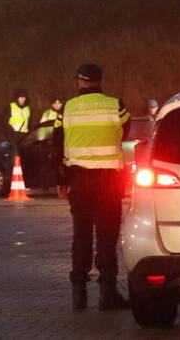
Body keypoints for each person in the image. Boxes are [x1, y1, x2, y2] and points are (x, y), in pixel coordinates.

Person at [54, 63, 130, 312]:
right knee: (107, 237)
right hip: (109, 182)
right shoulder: (115, 105)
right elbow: (125, 133)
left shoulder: (66, 109)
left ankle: (79, 294)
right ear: (99, 80)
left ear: (79, 81)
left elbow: (56, 146)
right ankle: (108, 294)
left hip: (78, 182)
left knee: (82, 235)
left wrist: (61, 181)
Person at [30, 97, 64, 192]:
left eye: (59, 103)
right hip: (49, 142)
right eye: (55, 104)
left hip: (61, 141)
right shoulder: (47, 113)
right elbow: (42, 127)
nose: (57, 105)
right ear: (52, 105)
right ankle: (46, 184)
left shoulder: (64, 112)